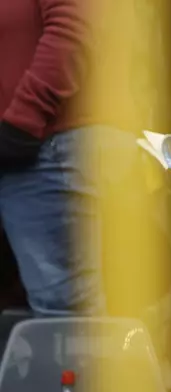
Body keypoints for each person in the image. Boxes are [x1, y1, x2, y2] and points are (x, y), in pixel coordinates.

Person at [0, 0, 104, 315]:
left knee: (64, 315)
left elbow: (73, 29)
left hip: (40, 147)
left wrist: (23, 120)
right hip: (19, 148)